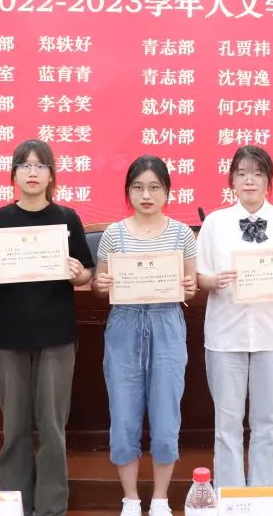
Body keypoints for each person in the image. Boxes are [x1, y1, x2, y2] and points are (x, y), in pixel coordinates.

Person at [0, 139, 95, 516]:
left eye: (40, 166)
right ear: (13, 174)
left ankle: (51, 507)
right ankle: (16, 505)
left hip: (56, 335)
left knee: (53, 428)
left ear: (51, 174)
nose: (32, 172)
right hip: (9, 336)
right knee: (15, 428)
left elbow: (87, 272)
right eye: (24, 165)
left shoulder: (67, 218)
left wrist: (78, 273)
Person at [196, 145, 273, 489]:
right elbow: (200, 276)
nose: (250, 180)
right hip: (225, 334)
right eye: (242, 173)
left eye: (258, 173)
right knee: (227, 424)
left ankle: (263, 496)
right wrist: (214, 281)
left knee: (267, 423)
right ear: (231, 180)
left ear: (268, 181)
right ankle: (230, 499)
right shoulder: (215, 223)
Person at [91, 155, 198, 516]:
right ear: (128, 192)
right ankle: (131, 499)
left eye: (154, 187)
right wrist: (101, 283)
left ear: (168, 191)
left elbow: (191, 286)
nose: (146, 195)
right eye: (138, 187)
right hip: (124, 325)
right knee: (124, 418)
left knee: (166, 419)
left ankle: (161, 499)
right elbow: (99, 287)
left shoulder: (182, 234)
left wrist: (189, 286)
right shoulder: (114, 234)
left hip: (167, 325)